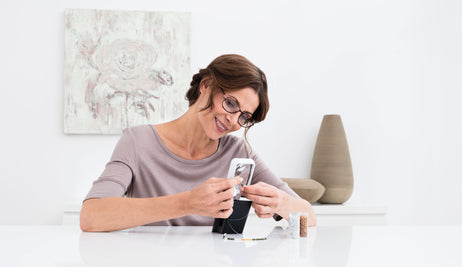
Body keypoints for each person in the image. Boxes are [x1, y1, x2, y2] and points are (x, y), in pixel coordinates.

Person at [80, 54, 315, 232]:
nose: (233, 120)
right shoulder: (138, 141)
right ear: (206, 86)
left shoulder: (239, 152)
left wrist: (281, 203)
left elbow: (309, 218)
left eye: (244, 116)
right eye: (231, 104)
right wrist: (187, 203)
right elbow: (91, 216)